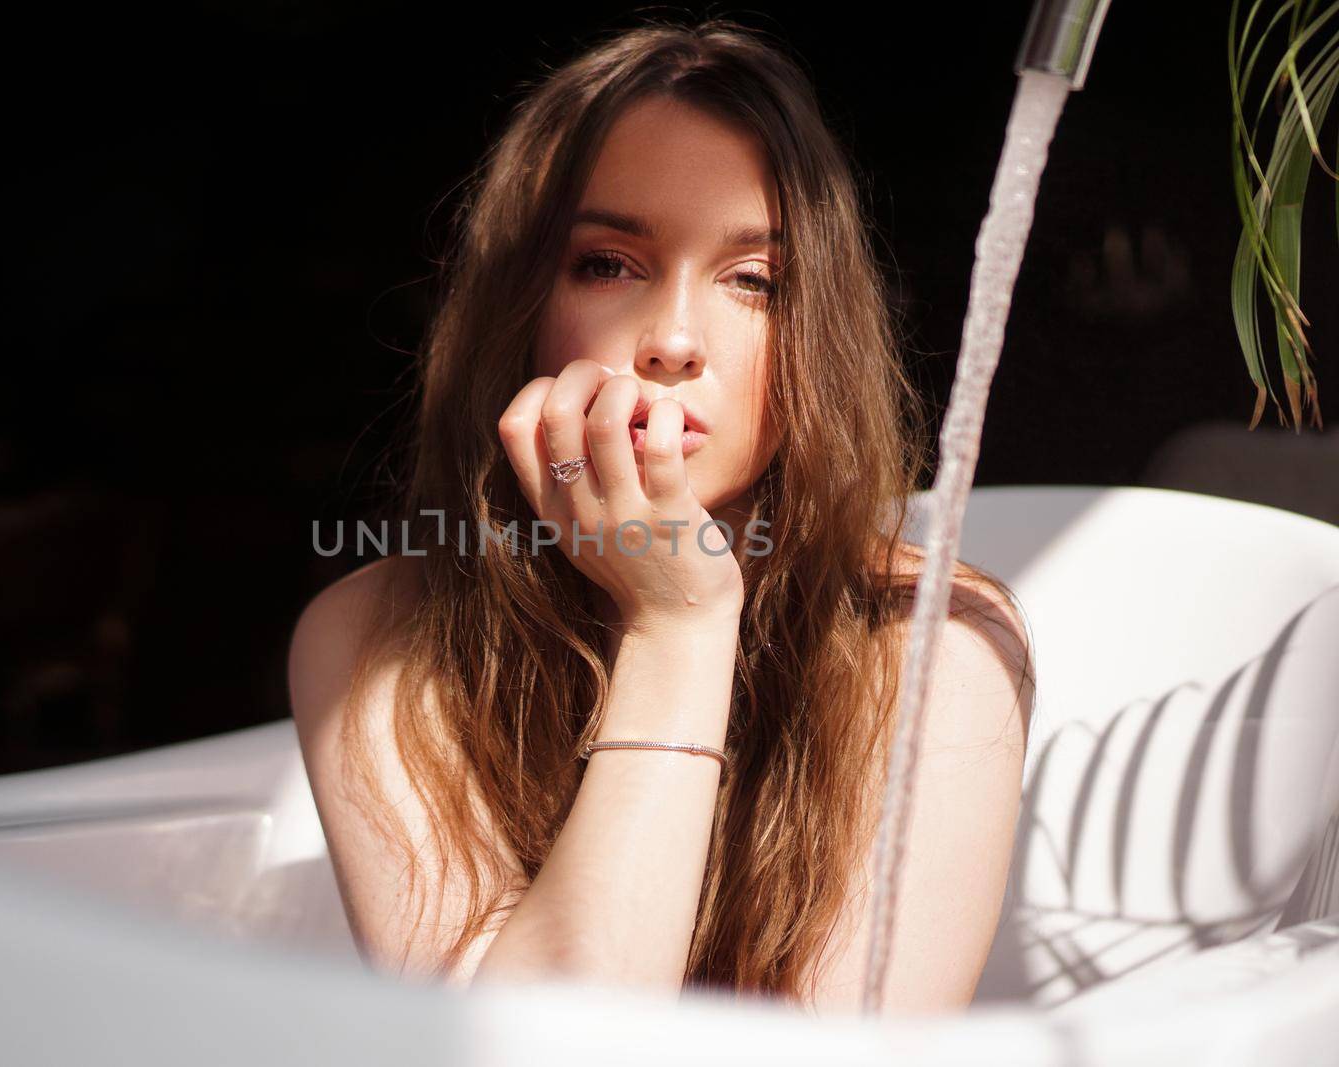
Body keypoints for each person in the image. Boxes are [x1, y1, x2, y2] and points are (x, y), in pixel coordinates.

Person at [286, 17, 1035, 1016]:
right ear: (521, 310)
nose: (675, 339)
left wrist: (679, 618)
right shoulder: (375, 636)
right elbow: (529, 1045)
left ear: (816, 336)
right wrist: (675, 629)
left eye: (752, 280)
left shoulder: (929, 643)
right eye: (610, 263)